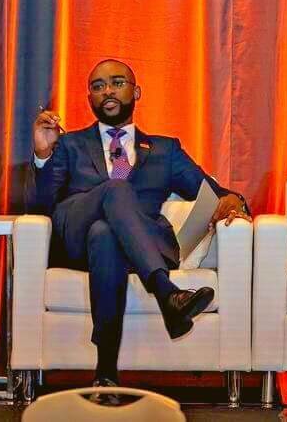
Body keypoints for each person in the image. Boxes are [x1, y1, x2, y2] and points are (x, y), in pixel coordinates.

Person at [28, 59, 250, 399]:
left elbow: (211, 191)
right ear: (90, 98)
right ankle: (166, 293)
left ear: (136, 91)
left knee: (105, 234)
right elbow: (41, 206)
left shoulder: (165, 149)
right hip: (76, 232)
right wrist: (43, 156)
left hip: (138, 242)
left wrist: (234, 202)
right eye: (98, 86)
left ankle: (105, 375)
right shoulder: (70, 144)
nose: (108, 91)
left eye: (117, 82)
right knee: (114, 191)